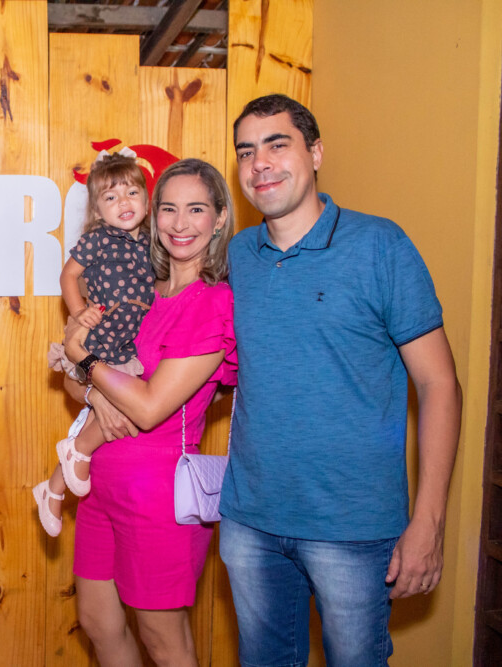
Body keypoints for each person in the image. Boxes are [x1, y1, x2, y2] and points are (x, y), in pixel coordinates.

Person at [220, 94, 463, 666]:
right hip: (250, 520)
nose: (260, 163)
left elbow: (440, 385)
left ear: (316, 153)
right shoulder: (238, 255)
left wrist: (428, 523)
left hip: (353, 528)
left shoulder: (380, 245)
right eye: (246, 152)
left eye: (277, 145)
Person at [61, 158, 237, 666]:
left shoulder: (213, 302)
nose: (180, 223)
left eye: (197, 209)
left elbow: (149, 407)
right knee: (98, 624)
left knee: (163, 641)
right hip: (99, 486)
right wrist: (93, 390)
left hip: (159, 496)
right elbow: (76, 383)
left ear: (220, 218)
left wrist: (84, 360)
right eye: (169, 209)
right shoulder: (140, 292)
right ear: (153, 215)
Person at [34, 149, 155, 537]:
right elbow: (68, 276)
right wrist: (79, 311)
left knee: (107, 416)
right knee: (114, 412)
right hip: (100, 341)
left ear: (147, 199)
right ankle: (78, 451)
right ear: (97, 210)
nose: (124, 202)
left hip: (126, 347)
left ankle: (53, 487)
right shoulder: (98, 240)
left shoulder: (152, 245)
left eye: (132, 192)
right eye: (111, 197)